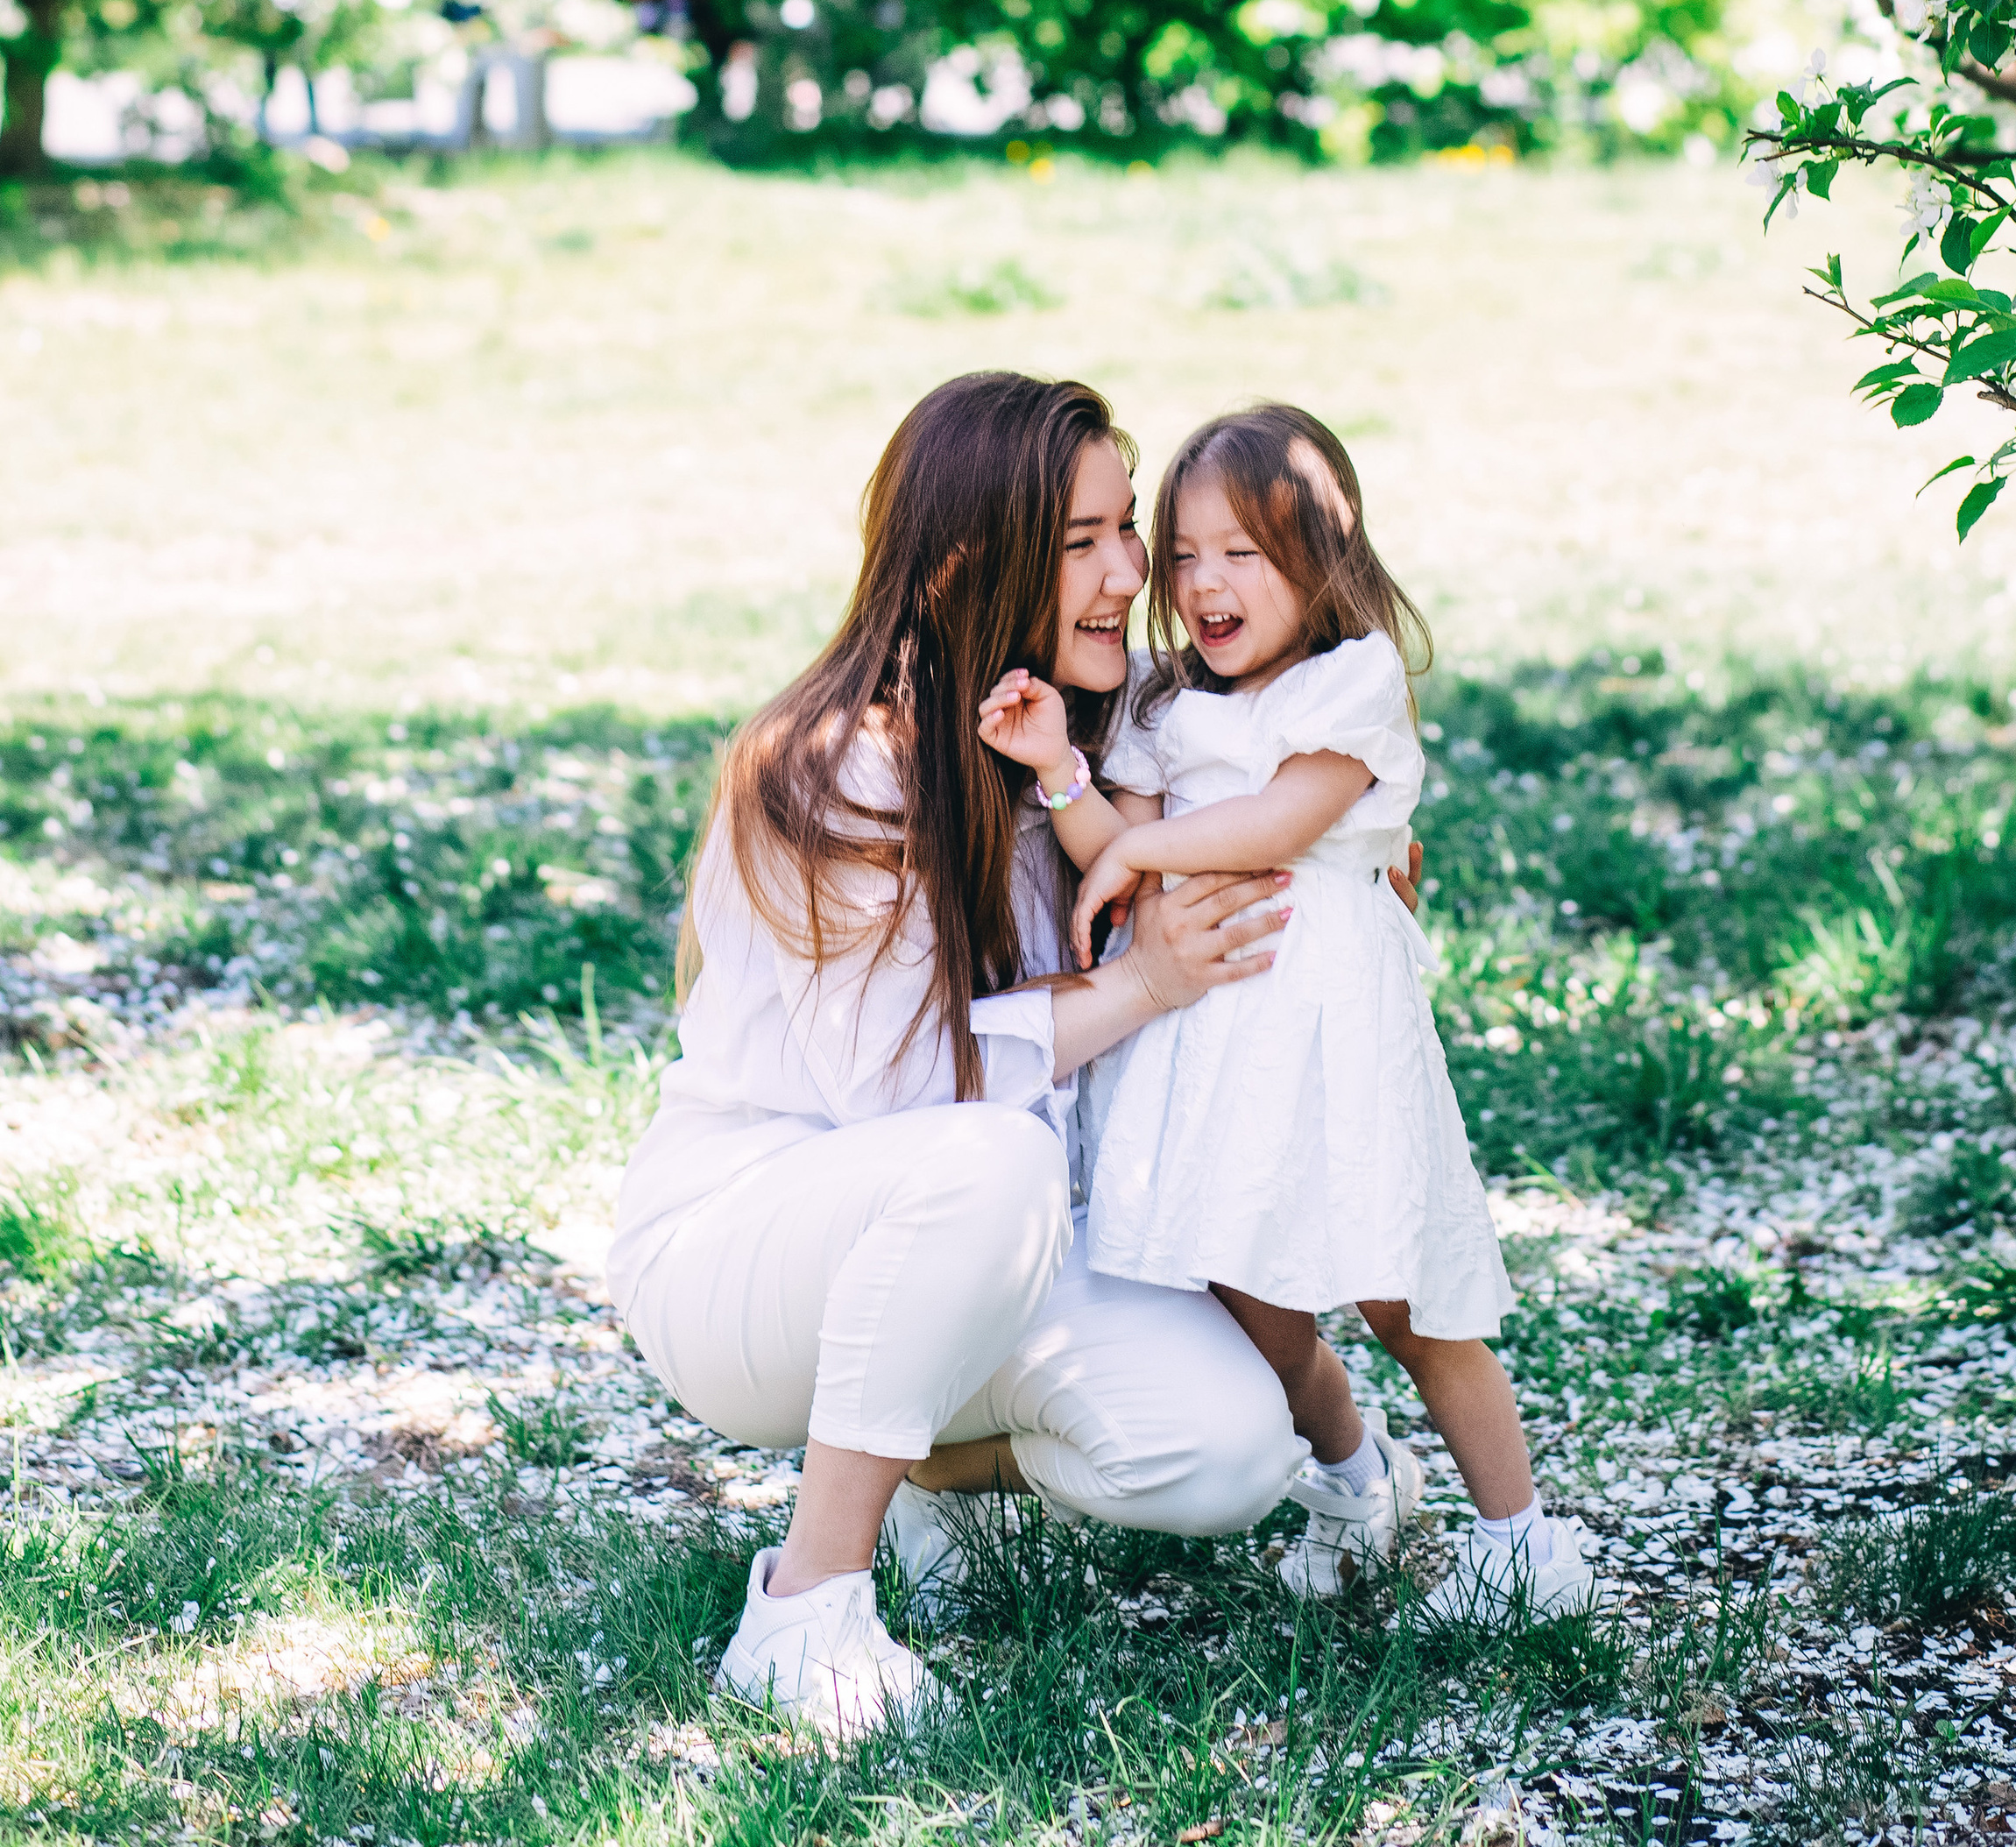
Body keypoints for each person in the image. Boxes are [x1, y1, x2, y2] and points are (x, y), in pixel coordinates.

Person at [606, 372, 1306, 1742]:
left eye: (1127, 531)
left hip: (987, 1246)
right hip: (748, 1255)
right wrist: (1140, 983)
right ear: (965, 562)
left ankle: (925, 1473)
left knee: (1230, 1452)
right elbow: (905, 1093)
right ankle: (808, 1609)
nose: (1127, 576)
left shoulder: (1077, 745)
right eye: (1081, 542)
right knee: (982, 1158)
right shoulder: (830, 766)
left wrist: (1347, 852)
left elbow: (1287, 772)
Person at [979, 401, 1590, 1619]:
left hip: (1336, 1045)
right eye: (1186, 553)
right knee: (1249, 1295)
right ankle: (1355, 1481)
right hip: (1212, 1055)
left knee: (1408, 1303)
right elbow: (1120, 837)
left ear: (1324, 552)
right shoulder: (1164, 709)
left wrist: (1134, 866)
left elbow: (1278, 822)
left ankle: (1525, 1546)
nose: (1204, 583)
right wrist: (1063, 777)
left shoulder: (1351, 690)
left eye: (1242, 554)